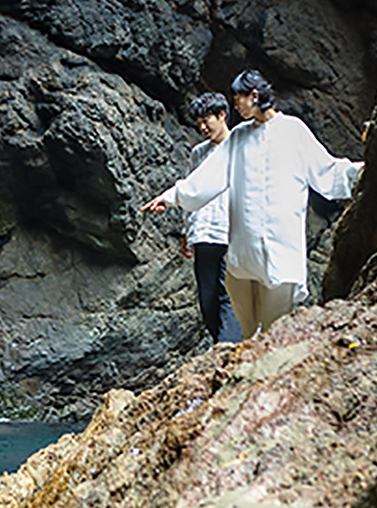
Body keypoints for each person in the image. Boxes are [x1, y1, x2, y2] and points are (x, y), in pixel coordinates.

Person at [140, 70, 362, 339]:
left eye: (238, 100)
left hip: (281, 245)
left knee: (274, 326)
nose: (235, 106)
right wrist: (170, 197)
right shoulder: (238, 137)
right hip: (244, 250)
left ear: (254, 96)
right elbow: (206, 179)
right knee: (244, 324)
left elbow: (326, 171)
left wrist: (360, 174)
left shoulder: (293, 130)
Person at [141, 93, 241, 343]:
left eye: (207, 120)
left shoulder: (240, 147)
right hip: (203, 233)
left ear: (222, 116)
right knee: (207, 300)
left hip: (233, 232)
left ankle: (227, 350)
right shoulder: (199, 153)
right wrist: (187, 231)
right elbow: (192, 189)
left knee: (229, 294)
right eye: (198, 123)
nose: (203, 127)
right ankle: (225, 343)